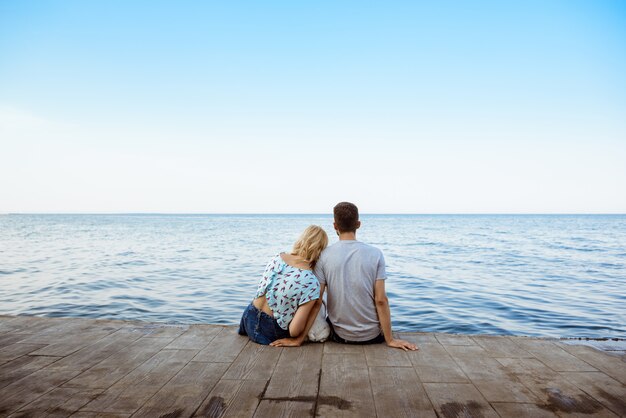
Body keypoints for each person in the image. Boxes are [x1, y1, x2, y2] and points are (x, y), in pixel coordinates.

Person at [271, 202, 417, 351]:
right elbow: (381, 300)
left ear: (335, 226)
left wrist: (299, 340)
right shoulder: (376, 254)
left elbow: (316, 302)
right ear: (358, 224)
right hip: (372, 336)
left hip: (340, 336)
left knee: (321, 299)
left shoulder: (324, 256)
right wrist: (390, 340)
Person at [238, 225, 328, 345]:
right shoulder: (311, 281)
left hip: (248, 318)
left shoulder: (277, 257)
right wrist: (297, 340)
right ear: (320, 251)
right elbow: (294, 331)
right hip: (269, 332)